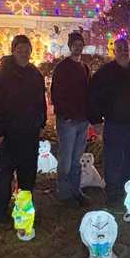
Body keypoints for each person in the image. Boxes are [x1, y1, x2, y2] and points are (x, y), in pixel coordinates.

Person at [0, 35, 46, 224]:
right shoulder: (1, 75)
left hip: (29, 134)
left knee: (27, 175)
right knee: (5, 175)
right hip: (8, 136)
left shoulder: (35, 74)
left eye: (27, 50)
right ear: (13, 50)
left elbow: (41, 102)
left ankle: (24, 208)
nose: (24, 54)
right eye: (20, 50)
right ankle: (0, 212)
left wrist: (41, 123)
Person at [88, 38, 130, 205]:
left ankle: (127, 187)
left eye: (125, 48)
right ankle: (112, 191)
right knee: (113, 158)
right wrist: (96, 119)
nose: (123, 51)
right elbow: (93, 96)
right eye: (119, 48)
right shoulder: (105, 72)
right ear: (114, 51)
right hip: (113, 123)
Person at [51, 31, 91, 206]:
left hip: (83, 119)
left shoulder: (85, 67)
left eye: (80, 44)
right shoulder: (63, 67)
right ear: (69, 46)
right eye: (75, 44)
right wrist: (64, 114)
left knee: (77, 159)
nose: (78, 46)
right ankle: (64, 193)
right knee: (66, 159)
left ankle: (76, 190)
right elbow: (56, 93)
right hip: (68, 120)